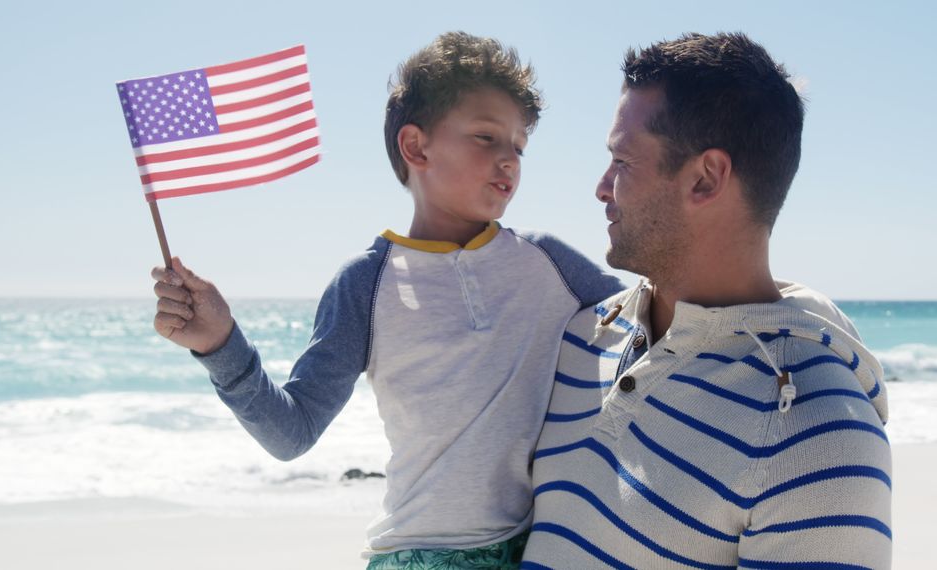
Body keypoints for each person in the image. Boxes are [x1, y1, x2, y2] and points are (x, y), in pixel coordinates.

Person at [150, 32, 623, 569]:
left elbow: (653, 325)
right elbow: (291, 433)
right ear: (416, 147)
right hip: (417, 555)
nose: (509, 160)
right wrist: (220, 344)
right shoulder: (366, 284)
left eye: (518, 146)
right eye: (486, 137)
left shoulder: (550, 263)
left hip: (544, 546)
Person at [522, 33, 892, 569]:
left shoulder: (817, 435)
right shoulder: (585, 334)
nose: (602, 188)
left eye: (622, 161)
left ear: (705, 177)